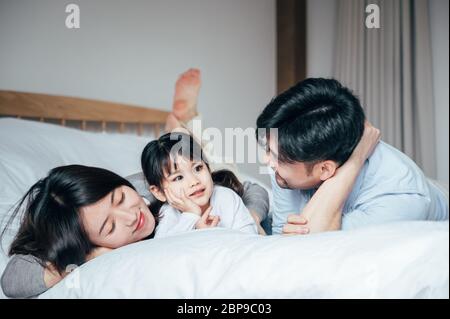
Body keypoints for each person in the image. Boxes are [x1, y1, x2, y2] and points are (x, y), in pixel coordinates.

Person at [0, 69, 269, 298]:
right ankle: (180, 127)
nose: (131, 216)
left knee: (206, 166)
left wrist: (251, 217)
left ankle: (182, 126)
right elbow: (13, 281)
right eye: (110, 227)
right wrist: (91, 257)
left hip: (191, 179)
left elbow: (250, 188)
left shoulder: (142, 189)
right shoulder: (84, 243)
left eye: (119, 199)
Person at [256, 78, 449, 235]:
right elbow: (282, 238)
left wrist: (354, 161)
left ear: (325, 169)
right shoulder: (287, 167)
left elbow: (315, 244)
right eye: (268, 150)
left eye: (274, 156)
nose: (267, 161)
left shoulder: (400, 200)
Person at [142, 132, 258, 237]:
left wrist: (213, 236)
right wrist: (191, 215)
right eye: (178, 178)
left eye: (198, 168)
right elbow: (163, 251)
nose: (194, 181)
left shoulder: (226, 198)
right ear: (159, 192)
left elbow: (249, 240)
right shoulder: (168, 214)